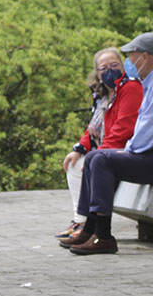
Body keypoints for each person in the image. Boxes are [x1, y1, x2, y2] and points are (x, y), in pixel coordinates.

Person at [62, 32, 153, 255]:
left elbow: (151, 132)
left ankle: (103, 235)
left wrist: (125, 151)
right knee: (97, 156)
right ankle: (90, 228)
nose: (129, 62)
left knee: (103, 159)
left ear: (144, 57)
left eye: (131, 56)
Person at [55, 48, 143, 240]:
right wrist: (79, 148)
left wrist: (98, 155)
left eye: (114, 65)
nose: (109, 70)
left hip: (124, 149)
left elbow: (124, 129)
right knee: (73, 163)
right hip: (105, 149)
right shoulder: (101, 95)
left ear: (123, 66)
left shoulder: (130, 88)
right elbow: (93, 129)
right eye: (103, 68)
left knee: (89, 164)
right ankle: (81, 220)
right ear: (97, 72)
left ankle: (88, 225)